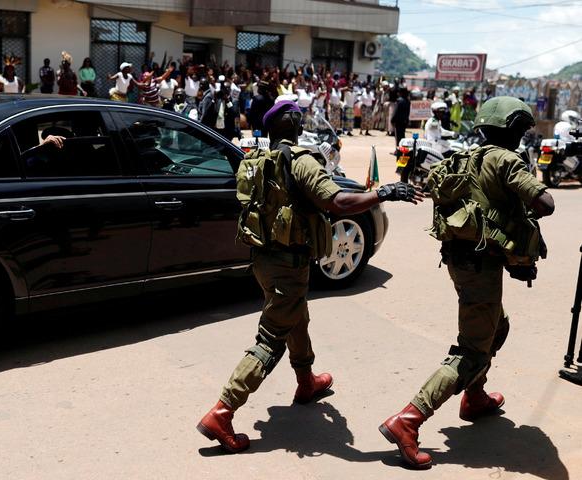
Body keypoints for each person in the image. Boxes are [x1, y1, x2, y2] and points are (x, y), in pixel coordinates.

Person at [197, 100, 422, 454]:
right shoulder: (301, 162)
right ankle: (222, 412)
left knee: (296, 317)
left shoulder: (260, 160)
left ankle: (306, 381)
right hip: (288, 264)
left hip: (264, 260)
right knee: (271, 338)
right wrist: (384, 192)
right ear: (296, 124)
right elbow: (338, 202)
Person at [379, 97, 555, 469]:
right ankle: (408, 419)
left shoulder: (462, 158)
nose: (522, 136)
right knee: (472, 350)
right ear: (511, 129)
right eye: (521, 129)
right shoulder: (506, 160)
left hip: (458, 260)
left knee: (497, 327)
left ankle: (475, 397)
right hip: (482, 266)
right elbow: (546, 203)